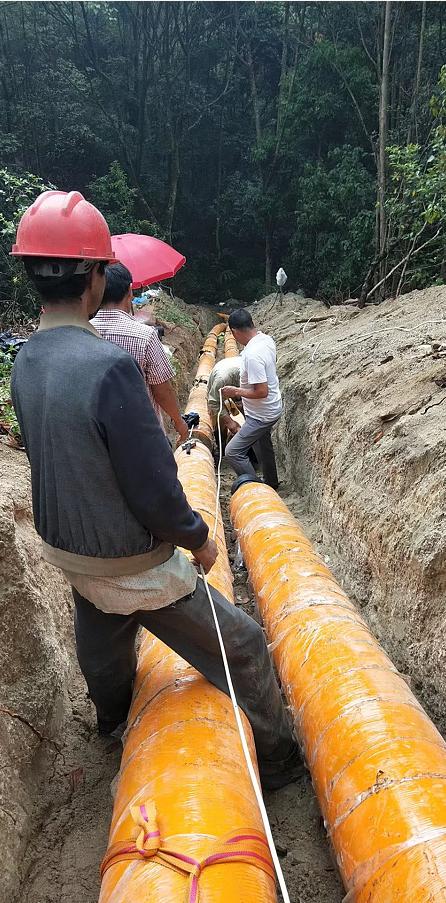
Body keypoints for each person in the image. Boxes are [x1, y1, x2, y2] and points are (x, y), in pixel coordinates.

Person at [10, 190, 302, 789]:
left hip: (71, 557)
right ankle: (279, 762)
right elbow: (151, 489)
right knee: (244, 647)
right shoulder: (108, 367)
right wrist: (197, 538)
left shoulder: (25, 361)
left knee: (104, 656)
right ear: (95, 274)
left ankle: (111, 720)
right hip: (130, 560)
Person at [91, 262, 188, 441]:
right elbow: (162, 391)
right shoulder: (144, 336)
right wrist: (178, 421)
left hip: (97, 435)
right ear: (129, 291)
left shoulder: (83, 331)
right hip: (141, 436)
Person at [223, 309, 282, 489]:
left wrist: (236, 391)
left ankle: (255, 488)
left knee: (232, 451)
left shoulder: (252, 355)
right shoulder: (265, 339)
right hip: (270, 406)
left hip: (261, 414)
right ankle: (271, 482)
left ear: (234, 332)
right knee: (262, 446)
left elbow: (261, 391)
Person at [207, 355, 242, 438]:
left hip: (233, 380)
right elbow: (214, 402)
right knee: (220, 418)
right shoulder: (221, 379)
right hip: (218, 391)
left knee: (239, 407)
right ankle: (221, 440)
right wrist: (230, 422)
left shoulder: (253, 371)